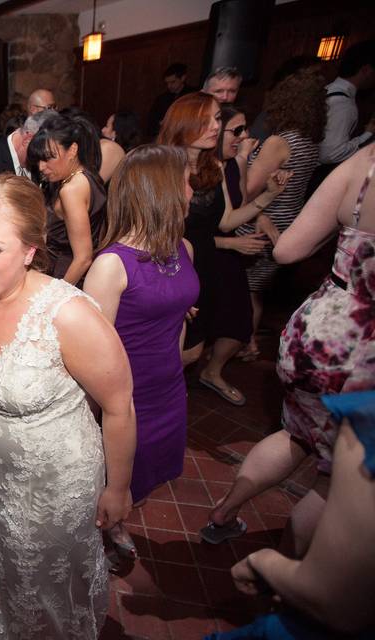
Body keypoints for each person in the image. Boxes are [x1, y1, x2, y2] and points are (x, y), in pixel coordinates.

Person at [0, 174, 136, 639]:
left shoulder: (69, 315)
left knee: (48, 592)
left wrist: (117, 490)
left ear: (31, 250)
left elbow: (119, 406)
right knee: (0, 574)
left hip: (57, 486)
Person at [201, 146, 375, 551]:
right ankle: (289, 575)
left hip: (319, 326)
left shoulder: (361, 164)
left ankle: (224, 513)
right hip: (363, 351)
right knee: (334, 478)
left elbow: (287, 249)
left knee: (295, 433)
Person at [83, 145, 200, 560]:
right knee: (110, 477)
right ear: (161, 190)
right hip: (124, 398)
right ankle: (99, 534)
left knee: (145, 476)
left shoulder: (184, 249)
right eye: (185, 181)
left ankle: (115, 522)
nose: (192, 190)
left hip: (168, 387)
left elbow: (175, 314)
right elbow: (86, 357)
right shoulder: (111, 265)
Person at [209, 392, 375, 640]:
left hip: (320, 359)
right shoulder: (366, 417)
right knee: (327, 483)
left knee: (295, 434)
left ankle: (225, 510)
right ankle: (282, 583)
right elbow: (336, 602)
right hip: (356, 382)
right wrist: (266, 564)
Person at [157, 93, 288, 404]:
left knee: (193, 349)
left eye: (217, 119)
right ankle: (151, 400)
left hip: (204, 267)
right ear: (185, 124)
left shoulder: (212, 165)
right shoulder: (160, 166)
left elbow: (227, 220)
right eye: (209, 120)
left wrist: (268, 197)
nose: (216, 126)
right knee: (177, 349)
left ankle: (161, 395)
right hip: (172, 267)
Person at [235, 68, 326, 362]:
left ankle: (243, 343)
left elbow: (247, 190)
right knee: (255, 291)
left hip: (264, 219)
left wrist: (243, 157)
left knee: (245, 290)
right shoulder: (311, 142)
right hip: (289, 222)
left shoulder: (279, 142)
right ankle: (247, 340)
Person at [210, 105, 266, 376]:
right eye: (238, 130)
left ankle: (212, 371)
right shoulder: (202, 169)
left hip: (228, 248)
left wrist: (243, 162)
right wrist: (231, 244)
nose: (245, 136)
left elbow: (239, 207)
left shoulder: (234, 164)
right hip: (205, 250)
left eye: (246, 129)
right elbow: (188, 232)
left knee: (240, 319)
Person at [27, 110, 106, 284]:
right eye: (39, 159)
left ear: (72, 150)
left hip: (66, 277)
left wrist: (56, 298)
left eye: (49, 158)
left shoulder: (71, 190)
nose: (41, 167)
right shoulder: (89, 175)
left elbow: (83, 257)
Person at [318, 40, 375, 168]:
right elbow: (330, 154)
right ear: (366, 70)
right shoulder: (343, 103)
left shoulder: (328, 88)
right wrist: (368, 133)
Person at [146, 63, 193, 138]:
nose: (169, 86)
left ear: (183, 78)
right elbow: (152, 119)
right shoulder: (162, 98)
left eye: (173, 82)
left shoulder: (192, 96)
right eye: (167, 83)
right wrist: (160, 124)